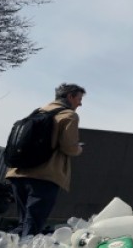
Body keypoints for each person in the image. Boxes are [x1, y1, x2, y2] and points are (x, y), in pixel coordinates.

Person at [5, 83, 85, 238]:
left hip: (17, 174)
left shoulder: (36, 113)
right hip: (45, 176)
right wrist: (79, 148)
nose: (80, 103)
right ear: (70, 96)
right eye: (79, 99)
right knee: (33, 226)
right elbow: (69, 147)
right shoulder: (69, 115)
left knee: (23, 222)